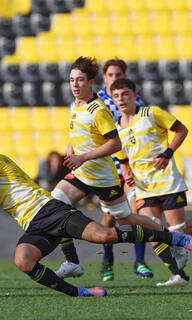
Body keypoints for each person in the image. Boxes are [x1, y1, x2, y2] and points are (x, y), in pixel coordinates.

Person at [0, 146, 192, 298]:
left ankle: (175, 238)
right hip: (34, 226)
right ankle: (80, 292)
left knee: (105, 236)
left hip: (50, 211)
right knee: (23, 261)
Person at [49, 56, 179, 281]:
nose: (75, 85)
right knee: (53, 205)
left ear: (91, 82)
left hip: (103, 176)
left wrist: (85, 157)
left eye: (80, 80)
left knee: (126, 218)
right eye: (72, 80)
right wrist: (72, 149)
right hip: (82, 172)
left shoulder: (99, 110)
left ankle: (169, 238)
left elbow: (116, 143)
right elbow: (81, 133)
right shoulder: (75, 105)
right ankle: (72, 261)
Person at [111, 78, 192, 286]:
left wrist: (167, 152)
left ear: (135, 95)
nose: (121, 99)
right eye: (117, 95)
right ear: (112, 99)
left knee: (178, 232)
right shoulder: (116, 130)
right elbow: (123, 160)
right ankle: (178, 276)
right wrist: (127, 173)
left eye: (125, 94)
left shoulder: (151, 113)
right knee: (153, 232)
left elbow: (182, 129)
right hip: (144, 188)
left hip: (168, 182)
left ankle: (180, 253)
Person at [96, 59, 152, 281]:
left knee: (134, 213)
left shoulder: (134, 99)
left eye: (118, 74)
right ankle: (107, 261)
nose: (114, 78)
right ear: (104, 78)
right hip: (107, 168)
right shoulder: (97, 101)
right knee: (109, 218)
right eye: (110, 75)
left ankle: (139, 262)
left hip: (130, 167)